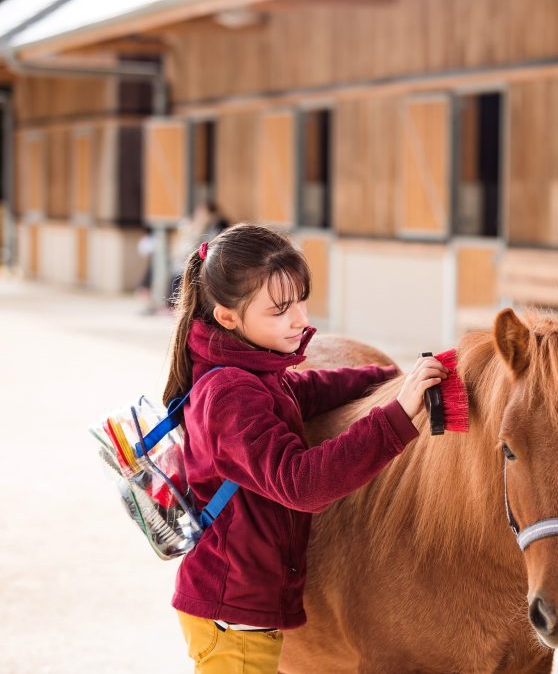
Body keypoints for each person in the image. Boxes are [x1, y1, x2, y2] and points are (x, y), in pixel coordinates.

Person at [166, 223, 447, 673]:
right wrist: (395, 417)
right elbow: (303, 483)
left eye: (300, 300)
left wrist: (385, 378)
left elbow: (306, 389)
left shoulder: (253, 371)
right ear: (227, 317)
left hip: (242, 608)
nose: (300, 319)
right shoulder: (229, 394)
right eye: (280, 310)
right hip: (232, 617)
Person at [168, 201, 230, 307]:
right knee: (177, 271)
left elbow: (208, 245)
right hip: (199, 259)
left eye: (202, 212)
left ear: (210, 213)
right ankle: (173, 304)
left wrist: (198, 229)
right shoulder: (201, 225)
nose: (199, 215)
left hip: (212, 260)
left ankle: (176, 304)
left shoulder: (219, 225)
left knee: (183, 272)